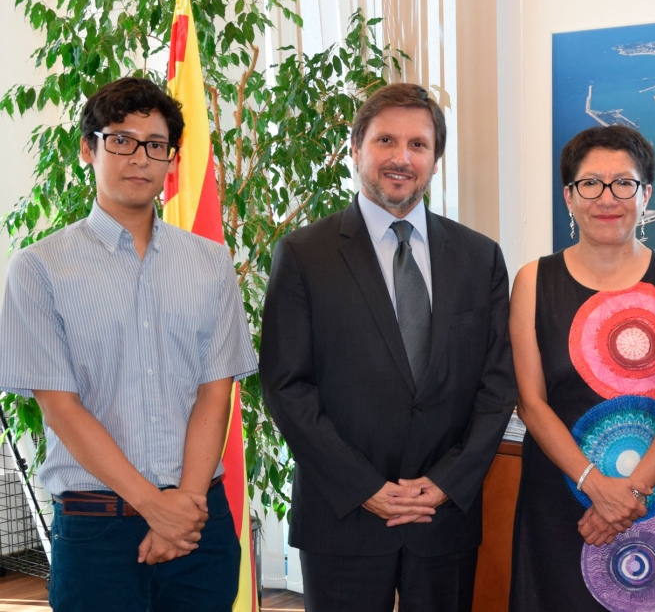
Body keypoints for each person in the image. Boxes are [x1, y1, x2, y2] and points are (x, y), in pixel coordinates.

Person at [0, 76, 258, 611]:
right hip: (96, 527)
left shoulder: (210, 263)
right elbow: (61, 409)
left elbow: (216, 394)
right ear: (88, 148)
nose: (139, 157)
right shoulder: (39, 268)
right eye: (120, 139)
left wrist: (181, 507)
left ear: (171, 161)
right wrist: (153, 507)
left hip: (198, 524)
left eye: (155, 145)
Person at [259, 82, 517, 611]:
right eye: (385, 141)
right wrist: (365, 487)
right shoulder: (304, 254)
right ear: (356, 150)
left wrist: (445, 483)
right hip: (344, 516)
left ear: (435, 160)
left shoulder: (479, 257)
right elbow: (287, 387)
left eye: (418, 145)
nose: (401, 158)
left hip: (443, 517)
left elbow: (497, 385)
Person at [509, 125, 655, 611]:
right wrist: (595, 486)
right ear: (569, 196)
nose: (607, 197)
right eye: (590, 184)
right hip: (557, 502)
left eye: (624, 183)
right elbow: (530, 403)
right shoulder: (533, 280)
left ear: (645, 195)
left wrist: (628, 495)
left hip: (650, 503)